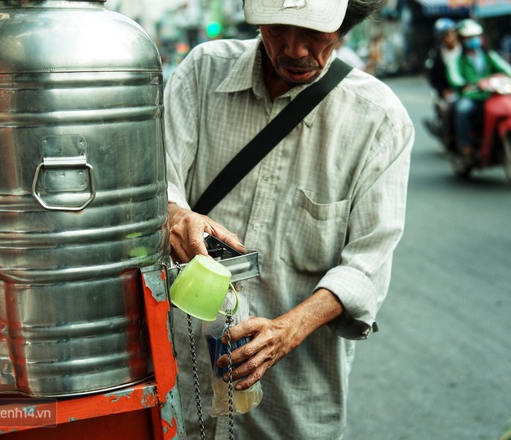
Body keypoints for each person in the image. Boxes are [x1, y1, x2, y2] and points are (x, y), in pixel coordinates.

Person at [162, 0, 414, 438]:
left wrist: (288, 329)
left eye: (314, 33)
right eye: (277, 29)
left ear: (345, 24)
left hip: (293, 403)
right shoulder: (202, 72)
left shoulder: (380, 120)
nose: (294, 50)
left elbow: (367, 265)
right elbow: (154, 181)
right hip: (185, 384)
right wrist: (176, 214)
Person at [447, 19, 511, 161]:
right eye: (470, 38)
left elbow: (508, 70)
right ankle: (465, 145)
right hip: (471, 96)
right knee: (463, 109)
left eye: (476, 37)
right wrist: (464, 84)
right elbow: (454, 77)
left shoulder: (488, 55)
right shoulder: (458, 59)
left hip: (491, 95)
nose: (474, 40)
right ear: (462, 40)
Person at [424, 17, 461, 148]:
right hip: (446, 91)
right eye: (446, 35)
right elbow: (434, 78)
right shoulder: (437, 55)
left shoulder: (465, 49)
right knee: (447, 109)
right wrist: (443, 91)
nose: (450, 37)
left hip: (466, 88)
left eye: (452, 33)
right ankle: (448, 135)